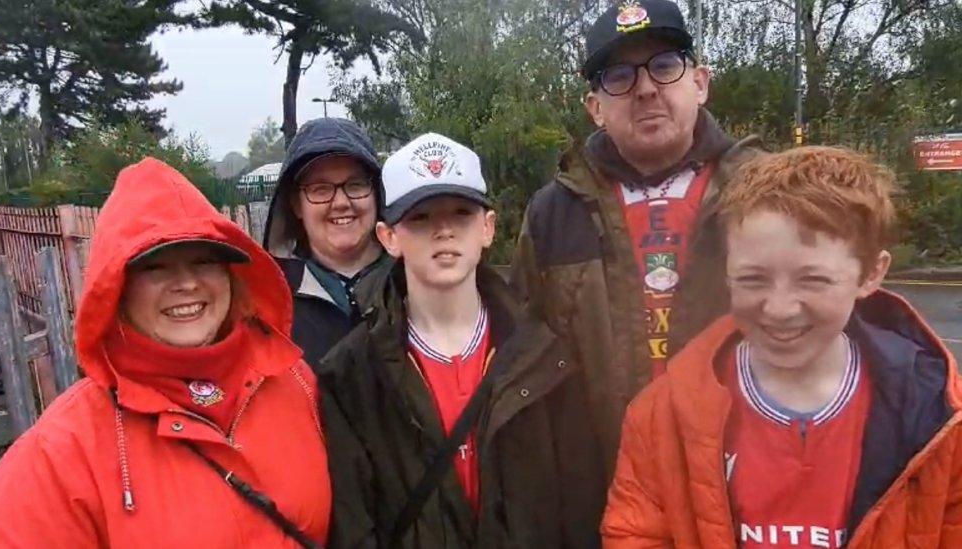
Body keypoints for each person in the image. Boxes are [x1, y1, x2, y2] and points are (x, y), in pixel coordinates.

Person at [602, 146, 962, 547]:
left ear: (871, 273)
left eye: (813, 280)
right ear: (727, 270)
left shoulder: (941, 420)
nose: (779, 309)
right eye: (753, 279)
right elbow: (635, 534)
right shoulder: (662, 413)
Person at [0, 158, 331, 548]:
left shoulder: (295, 382)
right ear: (116, 289)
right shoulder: (55, 458)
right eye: (156, 267)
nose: (186, 283)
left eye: (204, 260)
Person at [510, 0, 763, 476]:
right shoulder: (553, 213)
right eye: (619, 76)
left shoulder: (764, 191)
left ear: (700, 83)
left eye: (664, 66)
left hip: (742, 479)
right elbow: (525, 364)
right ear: (595, 108)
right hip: (600, 488)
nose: (645, 89)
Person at [319, 133, 603, 548]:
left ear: (487, 227)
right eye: (420, 218)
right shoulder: (350, 375)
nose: (444, 231)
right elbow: (353, 526)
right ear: (388, 237)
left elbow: (579, 509)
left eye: (461, 213)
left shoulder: (546, 357)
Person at [264, 117, 393, 368]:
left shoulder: (416, 283)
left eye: (355, 185)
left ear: (377, 194)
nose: (341, 202)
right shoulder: (271, 304)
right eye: (320, 189)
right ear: (295, 205)